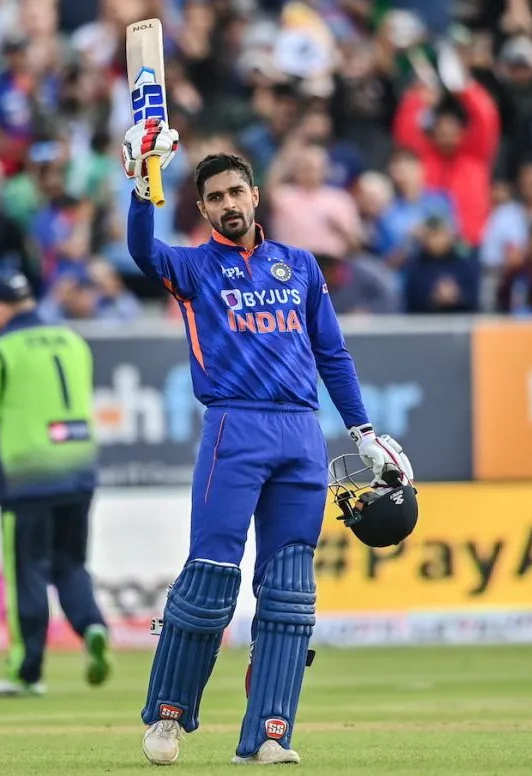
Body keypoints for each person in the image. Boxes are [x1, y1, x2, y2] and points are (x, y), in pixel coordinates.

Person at [122, 117, 413, 766]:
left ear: (256, 196)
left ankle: (270, 735)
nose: (229, 204)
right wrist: (144, 183)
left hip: (301, 433)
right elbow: (143, 252)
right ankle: (169, 715)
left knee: (289, 592)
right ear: (202, 209)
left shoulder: (299, 265)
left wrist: (363, 433)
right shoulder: (194, 267)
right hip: (235, 426)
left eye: (237, 192)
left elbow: (331, 354)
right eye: (216, 197)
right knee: (211, 579)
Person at [0, 269, 111, 698]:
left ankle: (27, 672)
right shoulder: (71, 340)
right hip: (79, 468)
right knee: (70, 563)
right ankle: (93, 627)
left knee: (27, 570)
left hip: (27, 476)